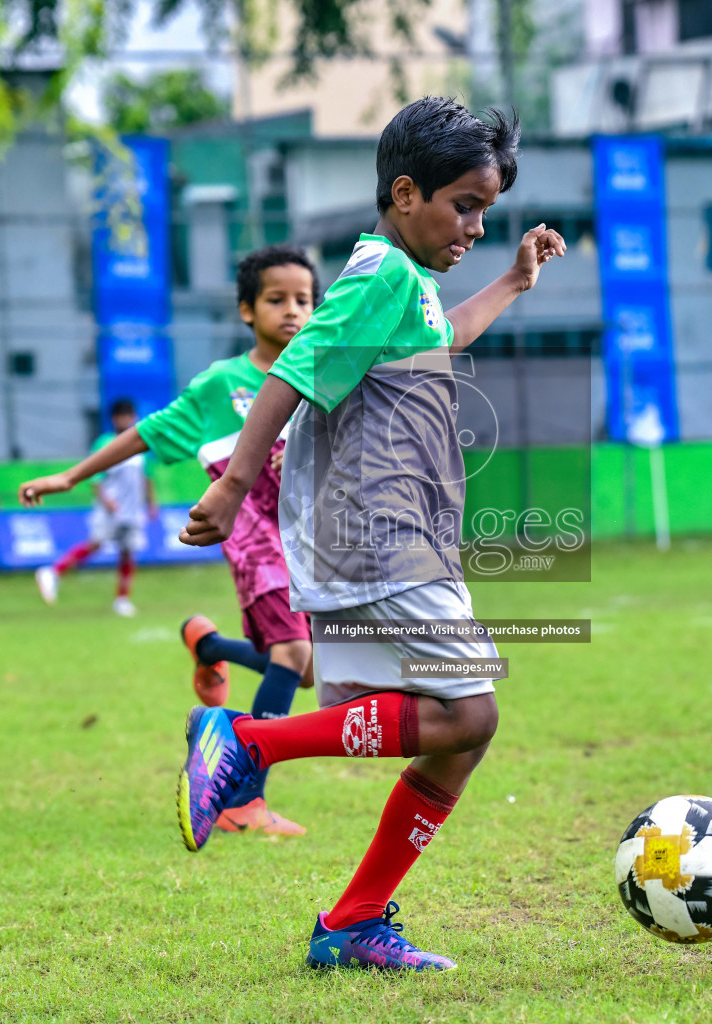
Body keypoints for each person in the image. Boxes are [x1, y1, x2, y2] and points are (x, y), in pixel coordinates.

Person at [176, 97, 566, 972]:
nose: (473, 224)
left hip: (391, 533)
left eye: (485, 212)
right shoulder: (379, 275)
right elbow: (298, 371)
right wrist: (237, 485)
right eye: (464, 205)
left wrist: (509, 279)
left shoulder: (406, 281)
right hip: (378, 534)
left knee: (458, 735)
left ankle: (353, 921)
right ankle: (245, 741)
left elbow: (441, 339)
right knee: (469, 712)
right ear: (403, 192)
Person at [18, 244, 322, 836]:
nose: (293, 311)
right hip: (253, 539)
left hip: (308, 543)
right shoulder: (222, 385)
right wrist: (71, 476)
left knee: (305, 671)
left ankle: (209, 647)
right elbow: (147, 433)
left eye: (304, 300)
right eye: (276, 299)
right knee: (293, 657)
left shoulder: (317, 379)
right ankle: (243, 799)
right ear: (245, 310)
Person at [34, 398, 157, 617]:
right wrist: (106, 500)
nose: (126, 420)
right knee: (96, 543)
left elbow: (146, 477)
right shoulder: (105, 443)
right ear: (114, 419)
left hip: (132, 510)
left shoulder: (140, 444)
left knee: (128, 553)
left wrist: (152, 503)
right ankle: (53, 572)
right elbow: (95, 478)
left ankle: (122, 599)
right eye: (122, 416)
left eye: (130, 416)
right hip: (111, 508)